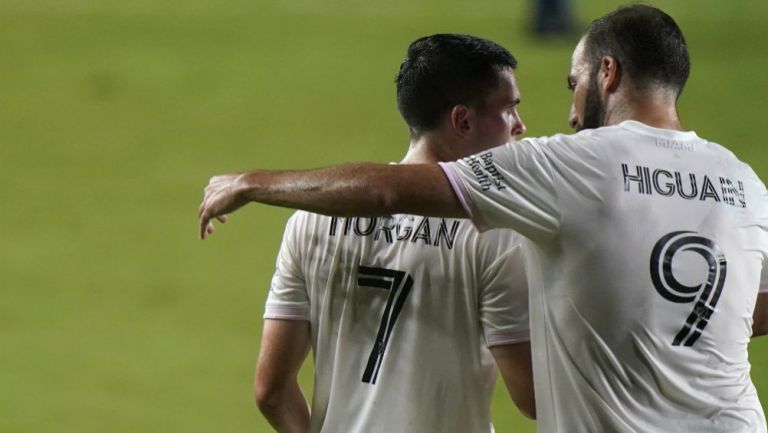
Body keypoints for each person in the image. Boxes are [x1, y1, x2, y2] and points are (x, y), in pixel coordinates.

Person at [199, 5, 768, 433]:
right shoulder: (740, 179)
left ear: (608, 74)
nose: (566, 115)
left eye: (573, 84)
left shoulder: (565, 166)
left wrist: (259, 184)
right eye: (512, 108)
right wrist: (667, 332)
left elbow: (385, 192)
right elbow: (748, 303)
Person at [251, 34, 535, 433]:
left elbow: (271, 391)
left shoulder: (310, 220)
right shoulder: (494, 230)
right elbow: (532, 397)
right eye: (509, 110)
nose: (520, 127)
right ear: (463, 120)